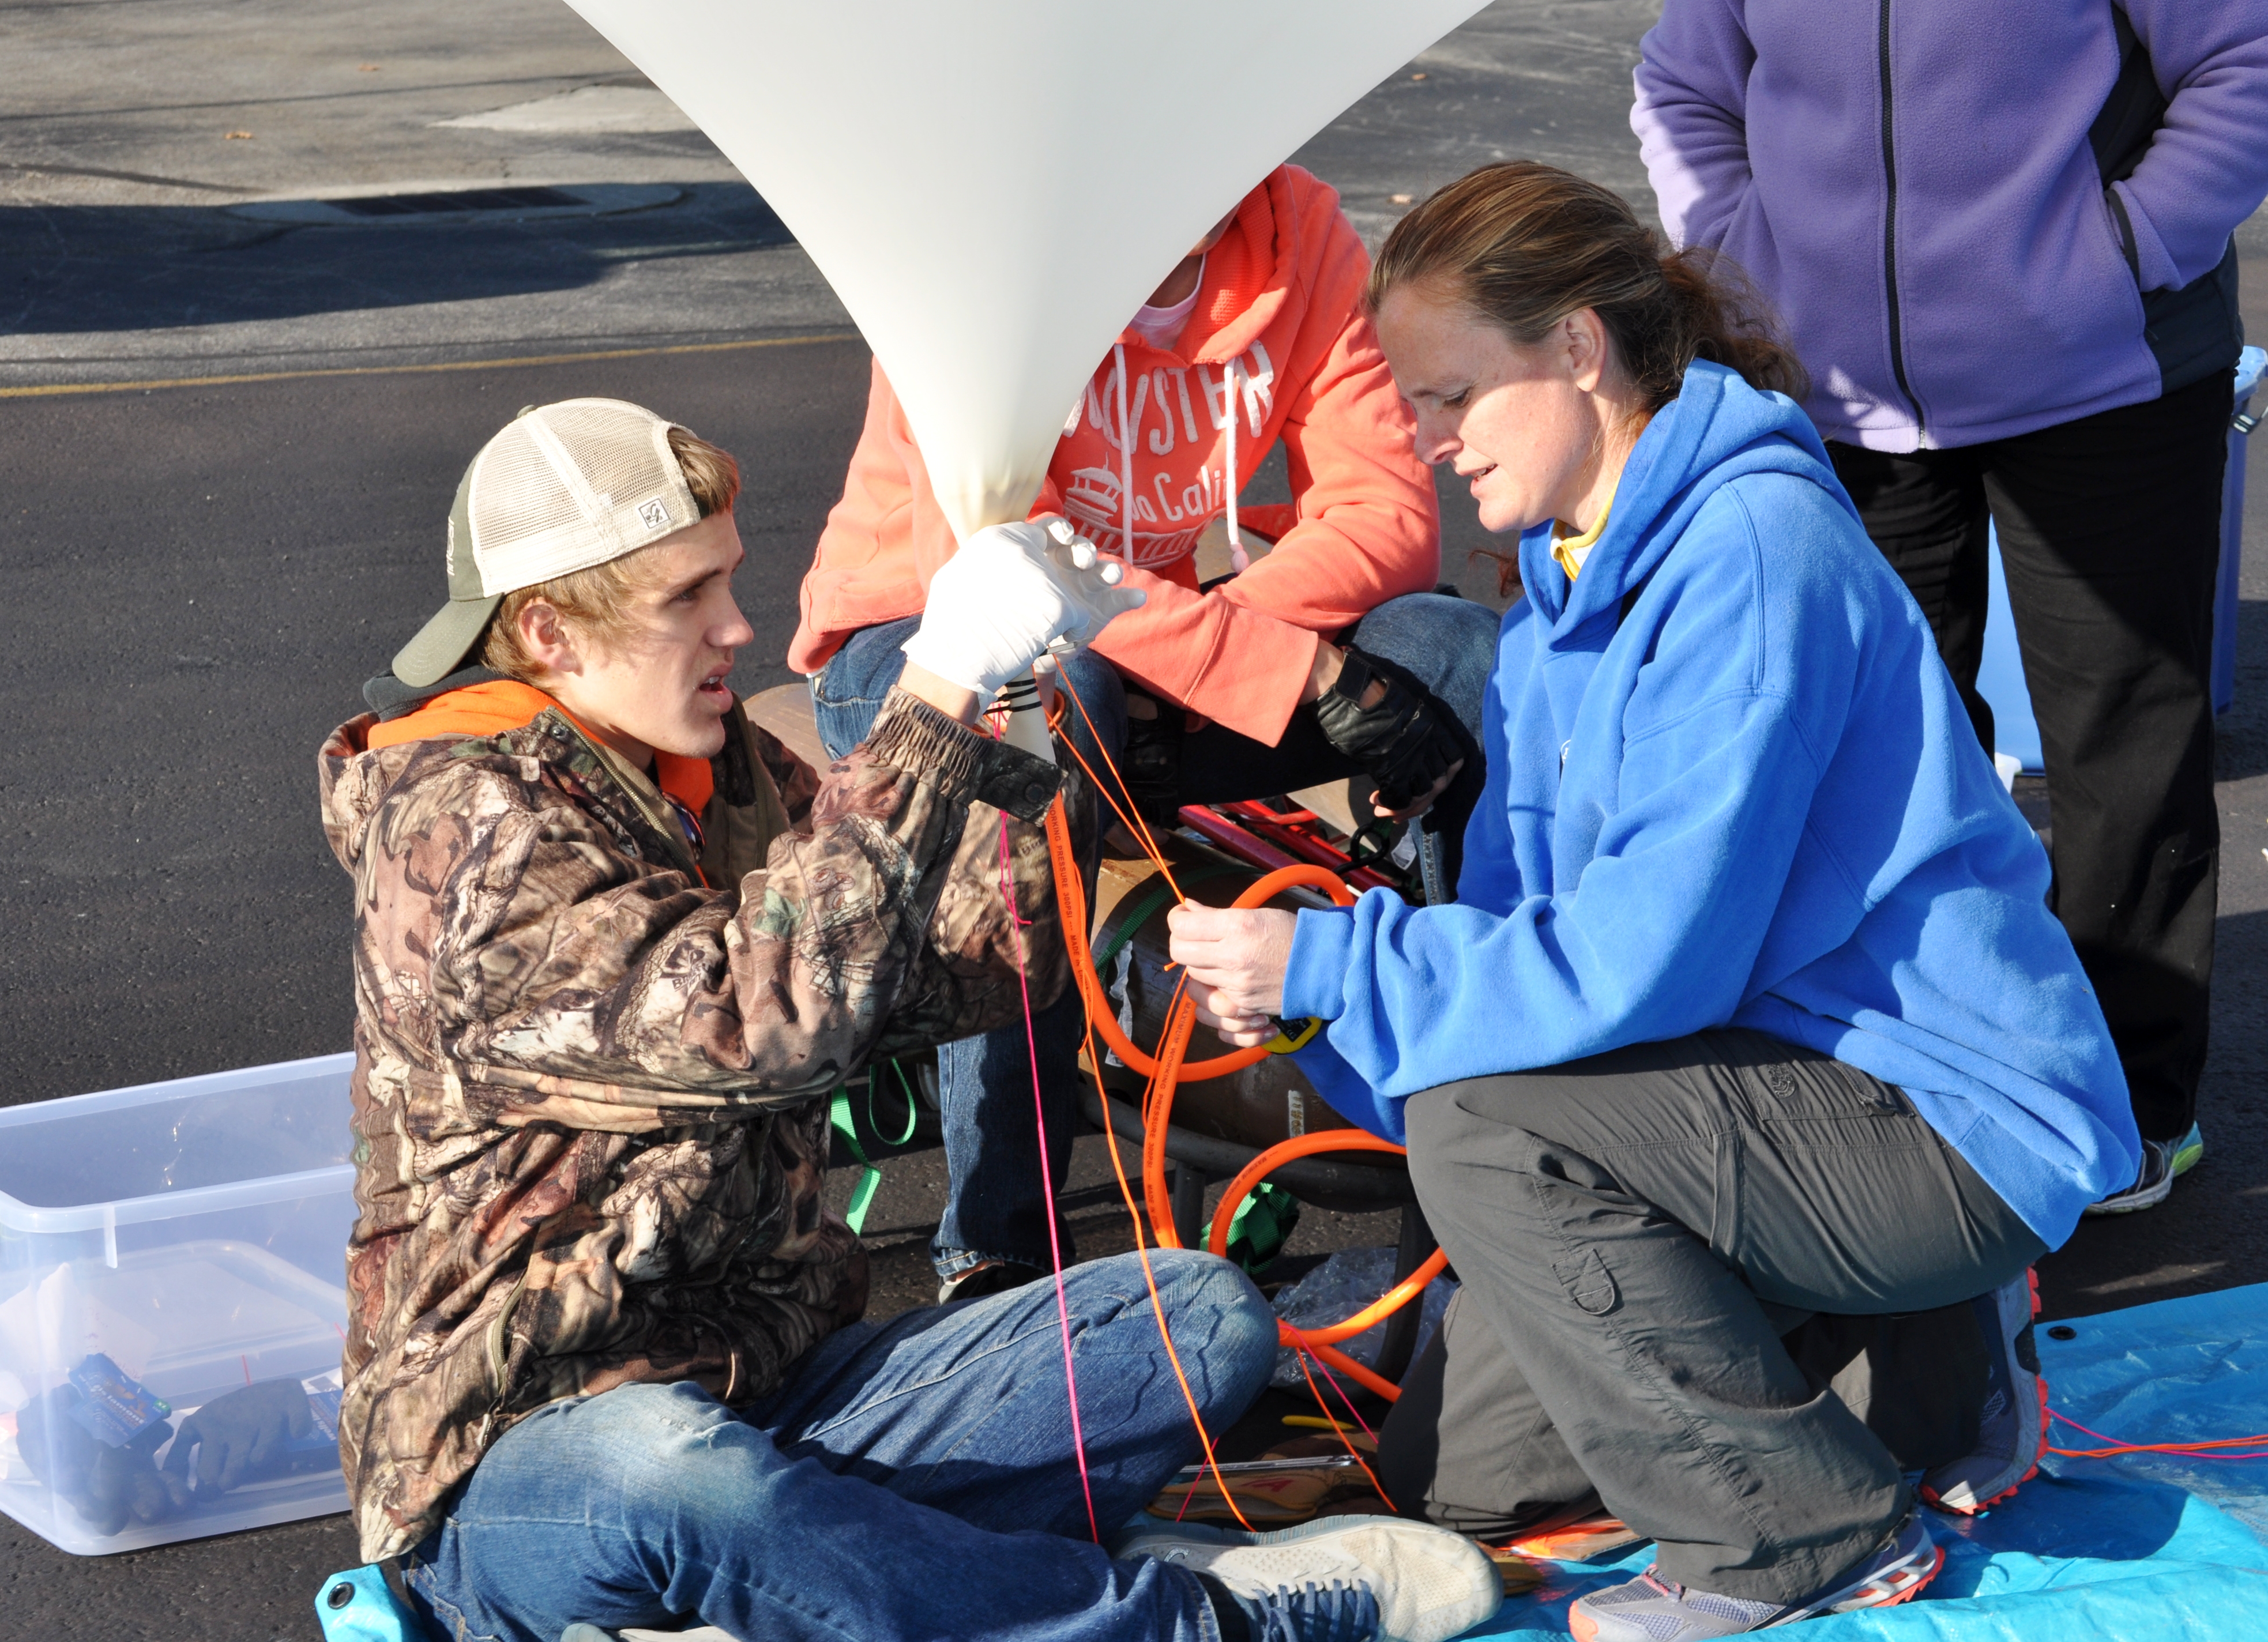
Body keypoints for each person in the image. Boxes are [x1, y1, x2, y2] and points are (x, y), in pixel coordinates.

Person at [318, 398, 1499, 1642]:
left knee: (1193, 1319)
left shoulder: (713, 775)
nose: (739, 628)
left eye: (728, 579)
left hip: (778, 1392)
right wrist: (928, 693)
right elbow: (763, 1018)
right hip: (538, 1460)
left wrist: (1051, 703)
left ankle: (841, 1593)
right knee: (674, 1473)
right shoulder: (458, 821)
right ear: (547, 630)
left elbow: (973, 970)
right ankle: (1184, 1621)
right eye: (688, 599)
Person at [1167, 165, 2140, 1641]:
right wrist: (1329, 1005)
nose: (1424, 447)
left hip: (1941, 1113)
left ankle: (1806, 1528)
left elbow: (1642, 963)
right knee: (1457, 1486)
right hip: (1787, 1082)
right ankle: (1934, 1361)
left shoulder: (1752, 551)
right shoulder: (1563, 579)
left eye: (1450, 398)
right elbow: (1520, 947)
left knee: (1482, 1134)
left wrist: (1337, 963)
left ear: (1575, 348)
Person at [791, 163, 1501, 1301]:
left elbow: (1385, 517)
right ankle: (993, 1253)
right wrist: (1260, 662)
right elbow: (990, 573)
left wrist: (1221, 649)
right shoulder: (981, 251)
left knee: (1453, 655)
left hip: (1165, 647)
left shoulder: (1301, 223)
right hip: (932, 648)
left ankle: (1478, 1175)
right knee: (1051, 703)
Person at [1630, 0, 2268, 1211]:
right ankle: (1928, 1069)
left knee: (2121, 746)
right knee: (1876, 759)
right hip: (1840, 390)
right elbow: (1683, 82)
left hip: (2106, 372)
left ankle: (2133, 1104)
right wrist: (1736, 250)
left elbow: (2241, 57)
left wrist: (2119, 250)